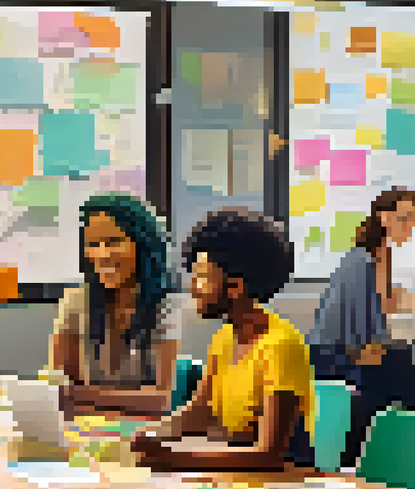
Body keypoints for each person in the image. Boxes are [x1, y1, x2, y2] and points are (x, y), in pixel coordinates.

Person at [134, 208, 316, 471]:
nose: (192, 287)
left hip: (285, 484)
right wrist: (150, 435)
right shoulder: (225, 337)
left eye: (202, 278)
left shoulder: (281, 346)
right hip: (240, 477)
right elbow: (200, 411)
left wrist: (174, 457)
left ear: (235, 287)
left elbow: (269, 454)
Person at [307, 187, 415, 468]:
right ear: (382, 217)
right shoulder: (361, 261)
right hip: (338, 360)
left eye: (413, 219)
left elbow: (383, 310)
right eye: (404, 218)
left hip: (353, 354)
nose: (410, 227)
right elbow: (361, 339)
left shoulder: (378, 255)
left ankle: (411, 458)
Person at [50, 193, 186, 419]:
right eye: (93, 244)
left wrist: (82, 395)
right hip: (88, 430)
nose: (102, 255)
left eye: (114, 242)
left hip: (143, 433)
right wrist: (122, 402)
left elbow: (161, 401)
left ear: (142, 244)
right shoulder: (75, 302)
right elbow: (57, 394)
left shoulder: (165, 305)